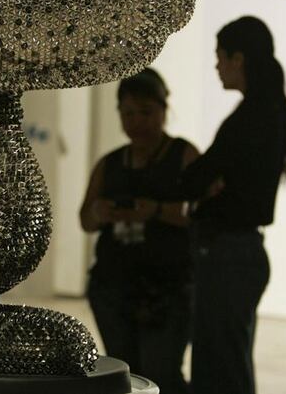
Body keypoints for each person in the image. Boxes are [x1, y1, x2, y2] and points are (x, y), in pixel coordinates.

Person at [180, 16, 286, 394]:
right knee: (229, 362)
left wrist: (206, 184)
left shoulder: (251, 119)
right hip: (240, 253)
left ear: (238, 58)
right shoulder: (270, 112)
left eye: (219, 57)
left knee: (219, 369)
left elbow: (197, 176)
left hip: (228, 254)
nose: (216, 66)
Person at [80, 68, 199, 394]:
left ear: (163, 110)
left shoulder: (183, 156)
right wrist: (100, 212)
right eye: (128, 113)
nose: (137, 122)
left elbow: (203, 213)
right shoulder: (111, 163)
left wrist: (157, 210)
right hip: (114, 287)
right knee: (124, 374)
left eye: (146, 112)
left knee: (163, 371)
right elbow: (85, 220)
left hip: (168, 288)